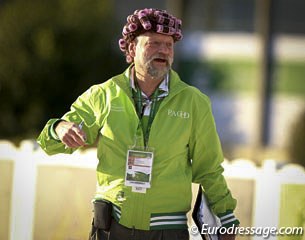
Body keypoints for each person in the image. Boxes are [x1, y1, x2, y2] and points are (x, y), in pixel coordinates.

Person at [37, 8, 239, 240]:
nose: (163, 50)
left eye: (169, 45)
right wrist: (59, 128)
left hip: (167, 230)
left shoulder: (195, 103)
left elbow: (209, 168)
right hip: (111, 226)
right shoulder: (104, 95)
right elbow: (50, 143)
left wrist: (226, 218)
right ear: (132, 49)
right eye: (154, 43)